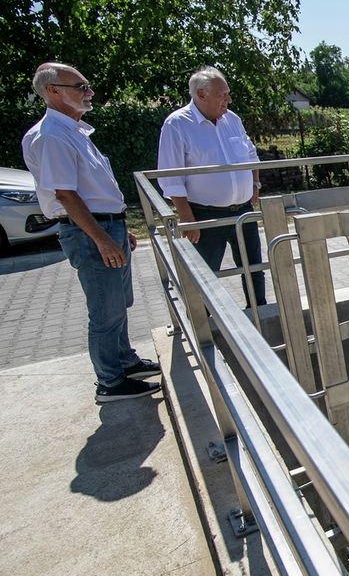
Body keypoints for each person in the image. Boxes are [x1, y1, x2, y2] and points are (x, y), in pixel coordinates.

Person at [21, 62, 161, 402]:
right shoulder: (52, 136)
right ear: (52, 91)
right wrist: (101, 237)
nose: (89, 92)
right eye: (80, 87)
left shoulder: (73, 131)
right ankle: (110, 382)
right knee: (105, 310)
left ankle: (124, 362)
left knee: (117, 303)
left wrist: (117, 229)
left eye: (87, 86)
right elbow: (66, 195)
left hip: (105, 226)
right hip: (90, 233)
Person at [157, 67, 266, 307]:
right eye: (222, 95)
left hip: (243, 210)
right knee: (206, 273)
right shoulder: (177, 124)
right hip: (205, 214)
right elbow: (170, 176)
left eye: (227, 94)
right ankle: (205, 323)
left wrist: (254, 184)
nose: (228, 99)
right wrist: (186, 217)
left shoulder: (232, 119)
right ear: (201, 95)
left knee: (254, 267)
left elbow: (250, 154)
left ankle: (259, 313)